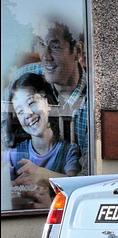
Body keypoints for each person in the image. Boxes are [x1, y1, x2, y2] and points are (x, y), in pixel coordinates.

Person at [2, 18, 88, 175]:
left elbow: (87, 174)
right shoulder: (26, 76)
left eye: (55, 46)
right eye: (41, 44)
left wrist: (42, 177)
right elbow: (3, 119)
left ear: (77, 51)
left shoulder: (92, 101)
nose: (45, 57)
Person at [3, 73, 81, 208]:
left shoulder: (69, 151)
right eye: (20, 111)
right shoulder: (13, 155)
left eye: (32, 103)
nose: (27, 113)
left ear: (49, 103)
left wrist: (42, 174)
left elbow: (76, 188)